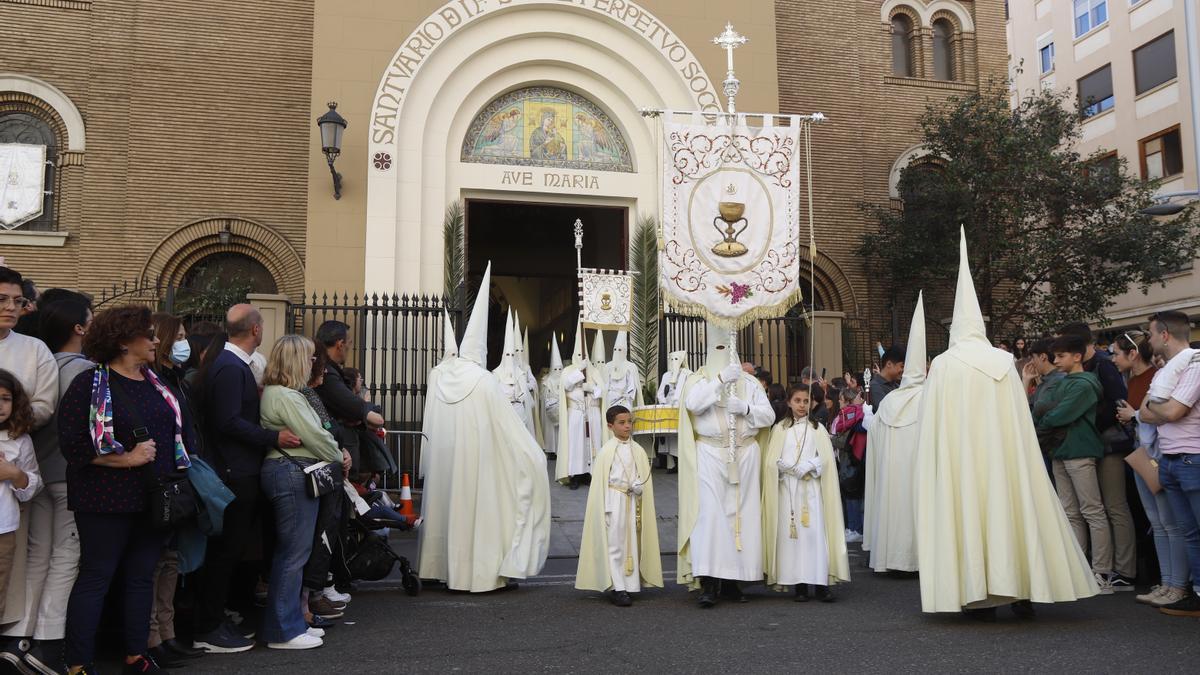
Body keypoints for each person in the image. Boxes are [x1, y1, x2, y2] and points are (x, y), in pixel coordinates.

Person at [914, 228, 1097, 620]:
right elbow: (1020, 419)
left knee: (969, 516)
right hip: (1004, 459)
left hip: (961, 462)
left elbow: (931, 425)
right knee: (1013, 512)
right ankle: (1022, 591)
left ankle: (976, 593)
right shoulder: (1000, 361)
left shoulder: (944, 365)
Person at [57, 304, 196, 673]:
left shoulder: (156, 382)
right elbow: (72, 445)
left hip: (153, 498)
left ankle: (136, 655)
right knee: (97, 576)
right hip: (105, 498)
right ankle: (78, 663)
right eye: (148, 334)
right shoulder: (90, 383)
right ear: (122, 341)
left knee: (140, 577)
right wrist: (126, 459)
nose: (155, 340)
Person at [418, 262, 550, 592]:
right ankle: (476, 574)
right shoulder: (483, 379)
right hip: (476, 463)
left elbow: (428, 426)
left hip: (442, 462)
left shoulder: (437, 376)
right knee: (480, 512)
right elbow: (508, 428)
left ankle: (437, 568)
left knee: (443, 509)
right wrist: (533, 455)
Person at [193, 305, 300, 654]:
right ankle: (207, 626)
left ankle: (216, 618)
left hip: (239, 469)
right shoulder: (230, 368)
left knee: (232, 552)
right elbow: (227, 421)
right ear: (256, 330)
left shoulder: (230, 365)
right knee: (224, 554)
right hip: (233, 472)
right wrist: (273, 438)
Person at [0, 300, 91, 674]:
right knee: (64, 558)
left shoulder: (39, 356)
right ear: (79, 328)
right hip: (66, 475)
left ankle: (18, 638)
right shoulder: (86, 370)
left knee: (35, 557)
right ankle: (47, 642)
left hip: (36, 470)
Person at [677, 322, 775, 607]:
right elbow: (693, 405)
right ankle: (709, 582)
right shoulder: (698, 380)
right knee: (710, 518)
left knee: (741, 518)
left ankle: (734, 580)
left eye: (726, 348)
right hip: (710, 454)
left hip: (744, 454)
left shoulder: (750, 384)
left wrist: (745, 409)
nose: (722, 353)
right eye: (717, 348)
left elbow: (768, 416)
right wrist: (720, 379)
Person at [258, 334, 343, 650]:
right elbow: (319, 437)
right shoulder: (288, 397)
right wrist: (335, 451)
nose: (312, 362)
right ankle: (283, 630)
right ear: (296, 361)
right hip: (292, 474)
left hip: (290, 473)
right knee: (293, 555)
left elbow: (315, 435)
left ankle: (290, 622)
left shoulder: (281, 394)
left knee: (293, 553)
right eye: (308, 357)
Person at [145, 313, 207, 667]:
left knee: (171, 560)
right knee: (156, 562)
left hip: (181, 474)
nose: (185, 343)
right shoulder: (155, 380)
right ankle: (153, 637)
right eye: (179, 336)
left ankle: (168, 634)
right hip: (163, 478)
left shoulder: (178, 379)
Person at [1113, 331, 1189, 607]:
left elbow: (1155, 414)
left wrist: (1134, 415)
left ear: (1133, 354)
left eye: (1117, 352)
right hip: (1143, 454)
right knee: (1157, 523)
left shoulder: (1159, 378)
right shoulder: (1136, 380)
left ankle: (1176, 584)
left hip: (1160, 454)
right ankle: (1166, 581)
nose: (1112, 358)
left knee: (1172, 524)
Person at [1058, 321, 1135, 591]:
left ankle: (1125, 571)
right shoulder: (1085, 367)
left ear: (1079, 347)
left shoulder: (1103, 364)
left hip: (1109, 444)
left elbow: (1119, 402)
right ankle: (1106, 566)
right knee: (1098, 507)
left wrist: (1088, 423)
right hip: (1092, 444)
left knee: (1114, 506)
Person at [1034, 335, 1115, 594]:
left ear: (1077, 356)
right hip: (1060, 450)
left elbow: (1056, 414)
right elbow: (1043, 408)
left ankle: (1101, 571)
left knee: (1091, 511)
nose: (1055, 361)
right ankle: (1079, 568)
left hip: (1079, 450)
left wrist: (1046, 416)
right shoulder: (1067, 382)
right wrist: (1047, 415)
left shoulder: (1084, 384)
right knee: (1071, 512)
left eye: (1061, 356)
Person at [1134, 310, 1200, 617]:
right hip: (1170, 460)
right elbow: (1145, 411)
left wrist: (1162, 407)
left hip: (1192, 458)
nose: (1148, 340)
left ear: (1164, 335)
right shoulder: (1165, 371)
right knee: (1189, 532)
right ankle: (1196, 591)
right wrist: (1164, 407)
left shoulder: (1194, 364)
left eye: (1149, 334)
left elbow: (1172, 412)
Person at [762, 384, 849, 602]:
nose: (802, 405)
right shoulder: (780, 429)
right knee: (793, 538)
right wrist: (780, 467)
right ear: (789, 402)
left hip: (811, 490)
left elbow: (827, 457)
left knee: (814, 536)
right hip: (789, 491)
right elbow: (771, 460)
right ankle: (799, 584)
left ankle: (820, 583)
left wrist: (811, 464)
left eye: (806, 401)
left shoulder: (817, 429)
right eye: (797, 401)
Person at [575, 405, 662, 606]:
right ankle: (617, 586)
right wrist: (605, 508)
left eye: (629, 422)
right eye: (622, 423)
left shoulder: (638, 449)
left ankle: (631, 585)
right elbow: (601, 484)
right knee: (615, 544)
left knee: (631, 542)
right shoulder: (606, 452)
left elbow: (642, 476)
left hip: (632, 500)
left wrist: (641, 485)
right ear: (610, 426)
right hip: (614, 500)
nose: (627, 427)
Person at [863, 292, 925, 573]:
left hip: (899, 466)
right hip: (907, 463)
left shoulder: (895, 396)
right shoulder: (885, 391)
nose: (901, 371)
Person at [298, 352, 354, 623]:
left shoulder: (308, 394)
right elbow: (321, 432)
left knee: (326, 534)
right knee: (312, 540)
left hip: (326, 467)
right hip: (317, 469)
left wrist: (339, 449)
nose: (321, 380)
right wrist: (337, 452)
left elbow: (327, 428)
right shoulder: (296, 395)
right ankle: (309, 600)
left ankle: (315, 593)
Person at [313, 320, 386, 476]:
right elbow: (352, 407)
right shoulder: (327, 373)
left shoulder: (330, 371)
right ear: (340, 344)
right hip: (335, 457)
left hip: (339, 451)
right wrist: (363, 412)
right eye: (350, 342)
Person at [0, 372, 42, 625]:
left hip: (3, 530)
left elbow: (32, 486)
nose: (0, 405)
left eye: (5, 398)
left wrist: (15, 474)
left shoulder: (19, 441)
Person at [557, 322, 603, 489]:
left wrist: (591, 388)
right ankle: (575, 475)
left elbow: (602, 391)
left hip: (592, 412)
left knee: (592, 443)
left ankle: (589, 473)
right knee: (576, 444)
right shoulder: (568, 371)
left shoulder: (595, 370)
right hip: (576, 413)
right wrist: (579, 372)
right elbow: (566, 386)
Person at [830, 387, 868, 543]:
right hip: (852, 459)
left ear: (847, 400)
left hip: (852, 460)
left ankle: (855, 528)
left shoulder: (851, 417)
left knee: (852, 495)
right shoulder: (856, 415)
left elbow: (842, 440)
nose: (838, 402)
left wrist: (829, 439)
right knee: (851, 494)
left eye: (841, 399)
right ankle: (853, 527)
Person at [493, 311, 534, 434]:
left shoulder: (520, 372)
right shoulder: (496, 373)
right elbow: (493, 394)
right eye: (507, 354)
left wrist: (521, 395)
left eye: (512, 355)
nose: (510, 357)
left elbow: (526, 396)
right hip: (503, 411)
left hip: (519, 412)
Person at [601, 331, 643, 442]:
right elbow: (605, 385)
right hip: (610, 401)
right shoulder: (608, 366)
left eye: (620, 350)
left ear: (624, 351)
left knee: (624, 425)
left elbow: (632, 386)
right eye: (615, 349)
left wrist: (625, 395)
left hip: (624, 401)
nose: (617, 352)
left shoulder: (631, 366)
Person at [656, 351, 692, 472]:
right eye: (671, 359)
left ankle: (684, 464)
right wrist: (663, 403)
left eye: (676, 359)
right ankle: (675, 464)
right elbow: (660, 392)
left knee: (681, 437)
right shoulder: (666, 375)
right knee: (670, 438)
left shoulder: (688, 374)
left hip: (682, 409)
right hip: (668, 409)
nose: (673, 362)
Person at [540, 336, 564, 457]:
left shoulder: (565, 379)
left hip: (563, 410)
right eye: (556, 369)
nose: (558, 371)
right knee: (551, 431)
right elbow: (543, 396)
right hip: (551, 411)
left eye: (560, 368)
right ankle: (551, 450)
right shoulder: (546, 381)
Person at [869, 346, 904, 413]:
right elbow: (885, 412)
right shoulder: (874, 386)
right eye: (902, 366)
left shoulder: (897, 386)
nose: (903, 370)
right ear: (889, 364)